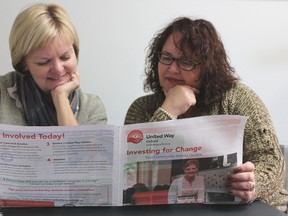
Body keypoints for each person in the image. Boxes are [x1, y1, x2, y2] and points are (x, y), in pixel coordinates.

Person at [124, 17, 288, 212]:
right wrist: (168, 111)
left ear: (207, 68)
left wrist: (252, 184)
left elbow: (271, 161)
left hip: (249, 207)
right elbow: (130, 171)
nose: (172, 69)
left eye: (186, 61)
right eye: (166, 57)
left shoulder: (238, 98)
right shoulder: (142, 107)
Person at [0, 3, 107, 126]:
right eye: (43, 62)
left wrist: (61, 98)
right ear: (23, 64)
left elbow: (74, 146)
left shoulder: (92, 109)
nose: (58, 69)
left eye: (65, 57)